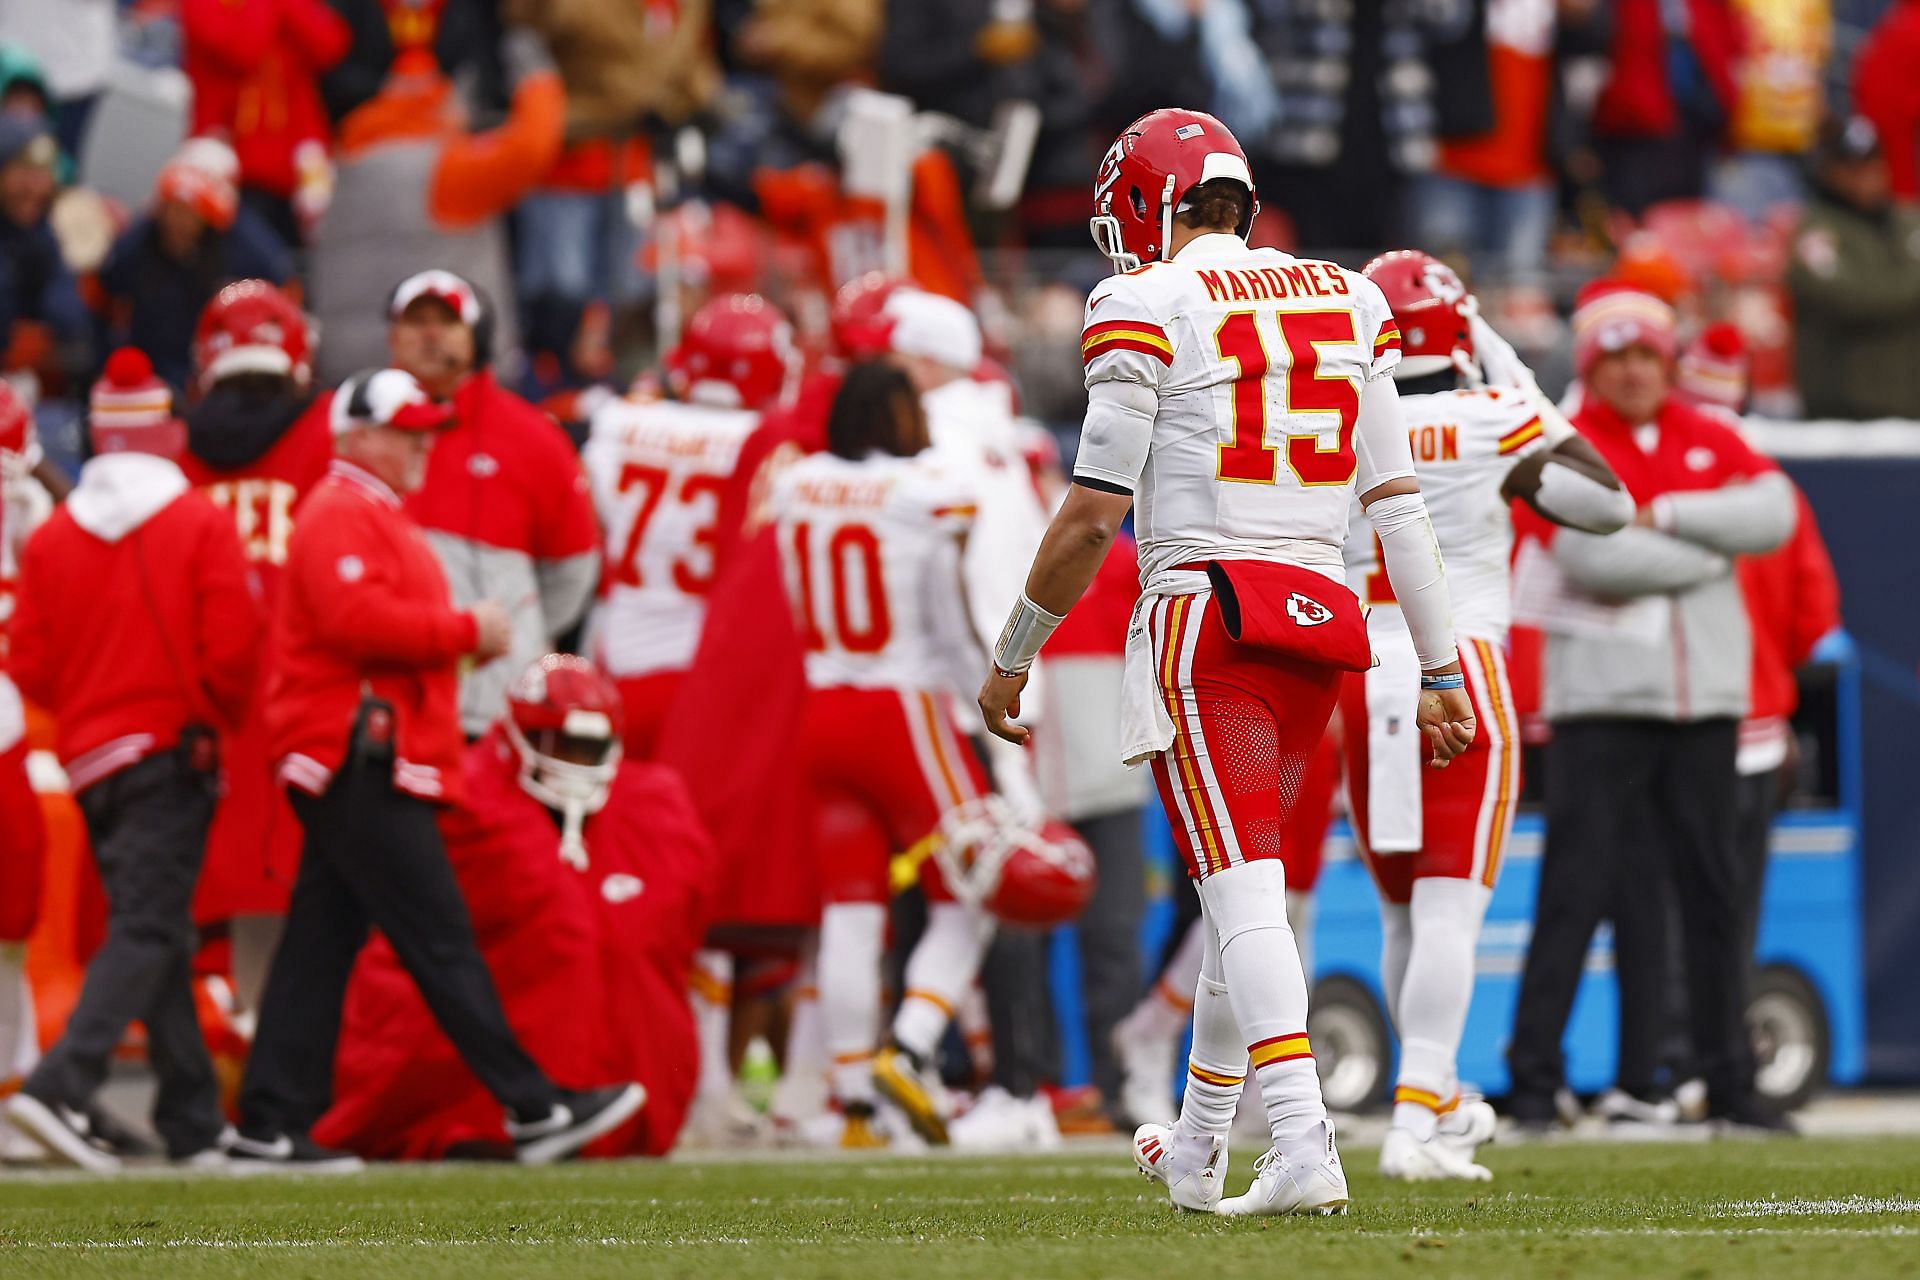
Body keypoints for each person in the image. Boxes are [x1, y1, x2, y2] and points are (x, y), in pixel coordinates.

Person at [977, 108, 1473, 1218]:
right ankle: (1201, 1146)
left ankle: (1301, 1138)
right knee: (1232, 887)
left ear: (1151, 205)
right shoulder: (1348, 296)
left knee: (1240, 888)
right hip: (1320, 623)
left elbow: (1091, 513)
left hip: (1212, 619)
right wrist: (1439, 669)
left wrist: (1014, 652)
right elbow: (1397, 506)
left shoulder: (1144, 301)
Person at [232, 367, 642, 1171]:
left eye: (426, 428)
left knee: (322, 942)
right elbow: (355, 619)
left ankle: (270, 1120)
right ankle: (533, 1104)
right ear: (358, 438)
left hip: (365, 750)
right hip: (360, 751)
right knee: (441, 939)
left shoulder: (368, 511)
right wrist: (464, 629)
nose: (423, 443)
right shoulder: (339, 511)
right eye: (405, 429)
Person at [1341, 251, 1631, 1180]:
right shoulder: (1491, 415)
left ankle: (1435, 1097)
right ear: (1456, 329)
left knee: (1399, 917)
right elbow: (1607, 505)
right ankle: (1417, 1121)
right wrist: (1514, 371)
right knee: (1450, 911)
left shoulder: (1337, 415)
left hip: (1363, 671)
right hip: (1457, 664)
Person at [1504, 283, 1797, 1136]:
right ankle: (1532, 1084)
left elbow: (1775, 513)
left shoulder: (1713, 435)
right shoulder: (1566, 442)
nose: (1634, 373)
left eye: (1647, 356)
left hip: (1700, 702)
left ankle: (1728, 1082)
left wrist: (1663, 516)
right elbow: (1588, 556)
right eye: (1617, 357)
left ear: (1668, 362)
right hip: (1599, 704)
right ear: (1593, 364)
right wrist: (1708, 555)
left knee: (1713, 898)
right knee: (1574, 894)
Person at [3, 349, 260, 1171]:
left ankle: (190, 1118)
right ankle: (59, 1086)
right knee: (150, 928)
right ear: (167, 431)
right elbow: (233, 652)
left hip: (91, 762)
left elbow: (32, 663)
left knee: (162, 934)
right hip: (170, 752)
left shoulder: (56, 535)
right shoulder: (197, 522)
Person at [315, 656, 715, 1160]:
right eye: (561, 745)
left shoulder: (652, 804)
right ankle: (507, 1113)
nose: (573, 761)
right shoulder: (474, 800)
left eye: (588, 749)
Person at [582, 291, 798, 1147]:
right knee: (708, 894)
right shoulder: (765, 443)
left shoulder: (614, 426)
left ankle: (622, 1068)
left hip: (611, 673)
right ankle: (708, 1079)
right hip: (703, 683)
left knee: (612, 889)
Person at [772, 360, 999, 1149]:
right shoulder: (922, 493)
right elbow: (947, 616)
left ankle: (854, 1104)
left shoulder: (795, 484)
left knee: (851, 908)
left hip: (822, 704)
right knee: (981, 885)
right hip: (901, 708)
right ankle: (908, 1045)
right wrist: (987, 696)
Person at [178, 281, 333, 1017]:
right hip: (307, 697)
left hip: (208, 705)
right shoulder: (333, 430)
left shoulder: (177, 456)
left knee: (215, 903)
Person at [379, 269, 601, 737]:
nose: (431, 334)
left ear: (478, 338)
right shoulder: (357, 431)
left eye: (447, 321)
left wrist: (518, 625)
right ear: (393, 336)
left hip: (491, 708)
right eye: (416, 321)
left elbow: (573, 570)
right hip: (385, 701)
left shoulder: (534, 439)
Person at [310, 43, 563, 382]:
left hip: (346, 373)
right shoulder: (447, 169)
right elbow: (533, 145)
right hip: (433, 375)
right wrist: (536, 71)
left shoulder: (346, 167)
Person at [97, 139, 295, 390]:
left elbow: (282, 285)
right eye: (174, 209)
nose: (179, 221)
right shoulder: (141, 240)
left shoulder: (244, 245)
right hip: (152, 372)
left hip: (218, 374)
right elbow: (104, 285)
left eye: (190, 211)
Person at [181, 0, 351, 245]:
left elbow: (330, 44)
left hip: (296, 164)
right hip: (232, 160)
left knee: (294, 266)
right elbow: (243, 49)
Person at [1786, 116, 1920, 421]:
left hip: (1912, 412)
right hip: (1844, 419)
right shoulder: (1815, 230)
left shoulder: (1909, 221)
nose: (1865, 176)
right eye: (1851, 167)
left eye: (1872, 163)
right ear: (1830, 171)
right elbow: (1855, 299)